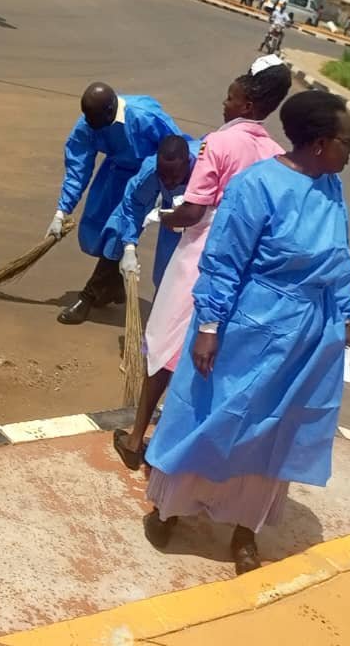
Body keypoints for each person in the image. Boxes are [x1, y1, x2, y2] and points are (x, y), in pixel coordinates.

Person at [142, 90, 350, 575]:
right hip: (248, 326)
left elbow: (339, 257)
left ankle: (245, 530)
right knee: (211, 417)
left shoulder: (331, 188)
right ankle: (169, 509)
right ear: (320, 143)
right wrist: (210, 326)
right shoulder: (256, 186)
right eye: (347, 143)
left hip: (306, 335)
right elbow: (223, 261)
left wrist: (345, 316)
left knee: (277, 432)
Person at [114, 57, 291, 471]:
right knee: (205, 356)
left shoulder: (219, 143)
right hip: (243, 264)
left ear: (247, 104)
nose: (224, 104)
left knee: (165, 346)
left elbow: (194, 212)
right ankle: (172, 447)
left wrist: (163, 216)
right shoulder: (275, 152)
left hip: (202, 255)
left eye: (230, 98)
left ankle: (137, 438)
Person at [50, 84, 181, 326]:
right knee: (97, 228)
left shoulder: (145, 116)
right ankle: (113, 286)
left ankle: (88, 296)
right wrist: (62, 210)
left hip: (145, 177)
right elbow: (78, 166)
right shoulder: (89, 122)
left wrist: (170, 190)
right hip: (113, 173)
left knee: (118, 232)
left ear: (111, 110)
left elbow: (176, 149)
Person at [103, 134, 200, 294]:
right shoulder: (151, 170)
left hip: (205, 220)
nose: (168, 183)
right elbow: (134, 205)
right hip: (173, 215)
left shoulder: (207, 170)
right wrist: (129, 247)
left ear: (188, 164)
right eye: (163, 177)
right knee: (164, 276)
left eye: (175, 177)